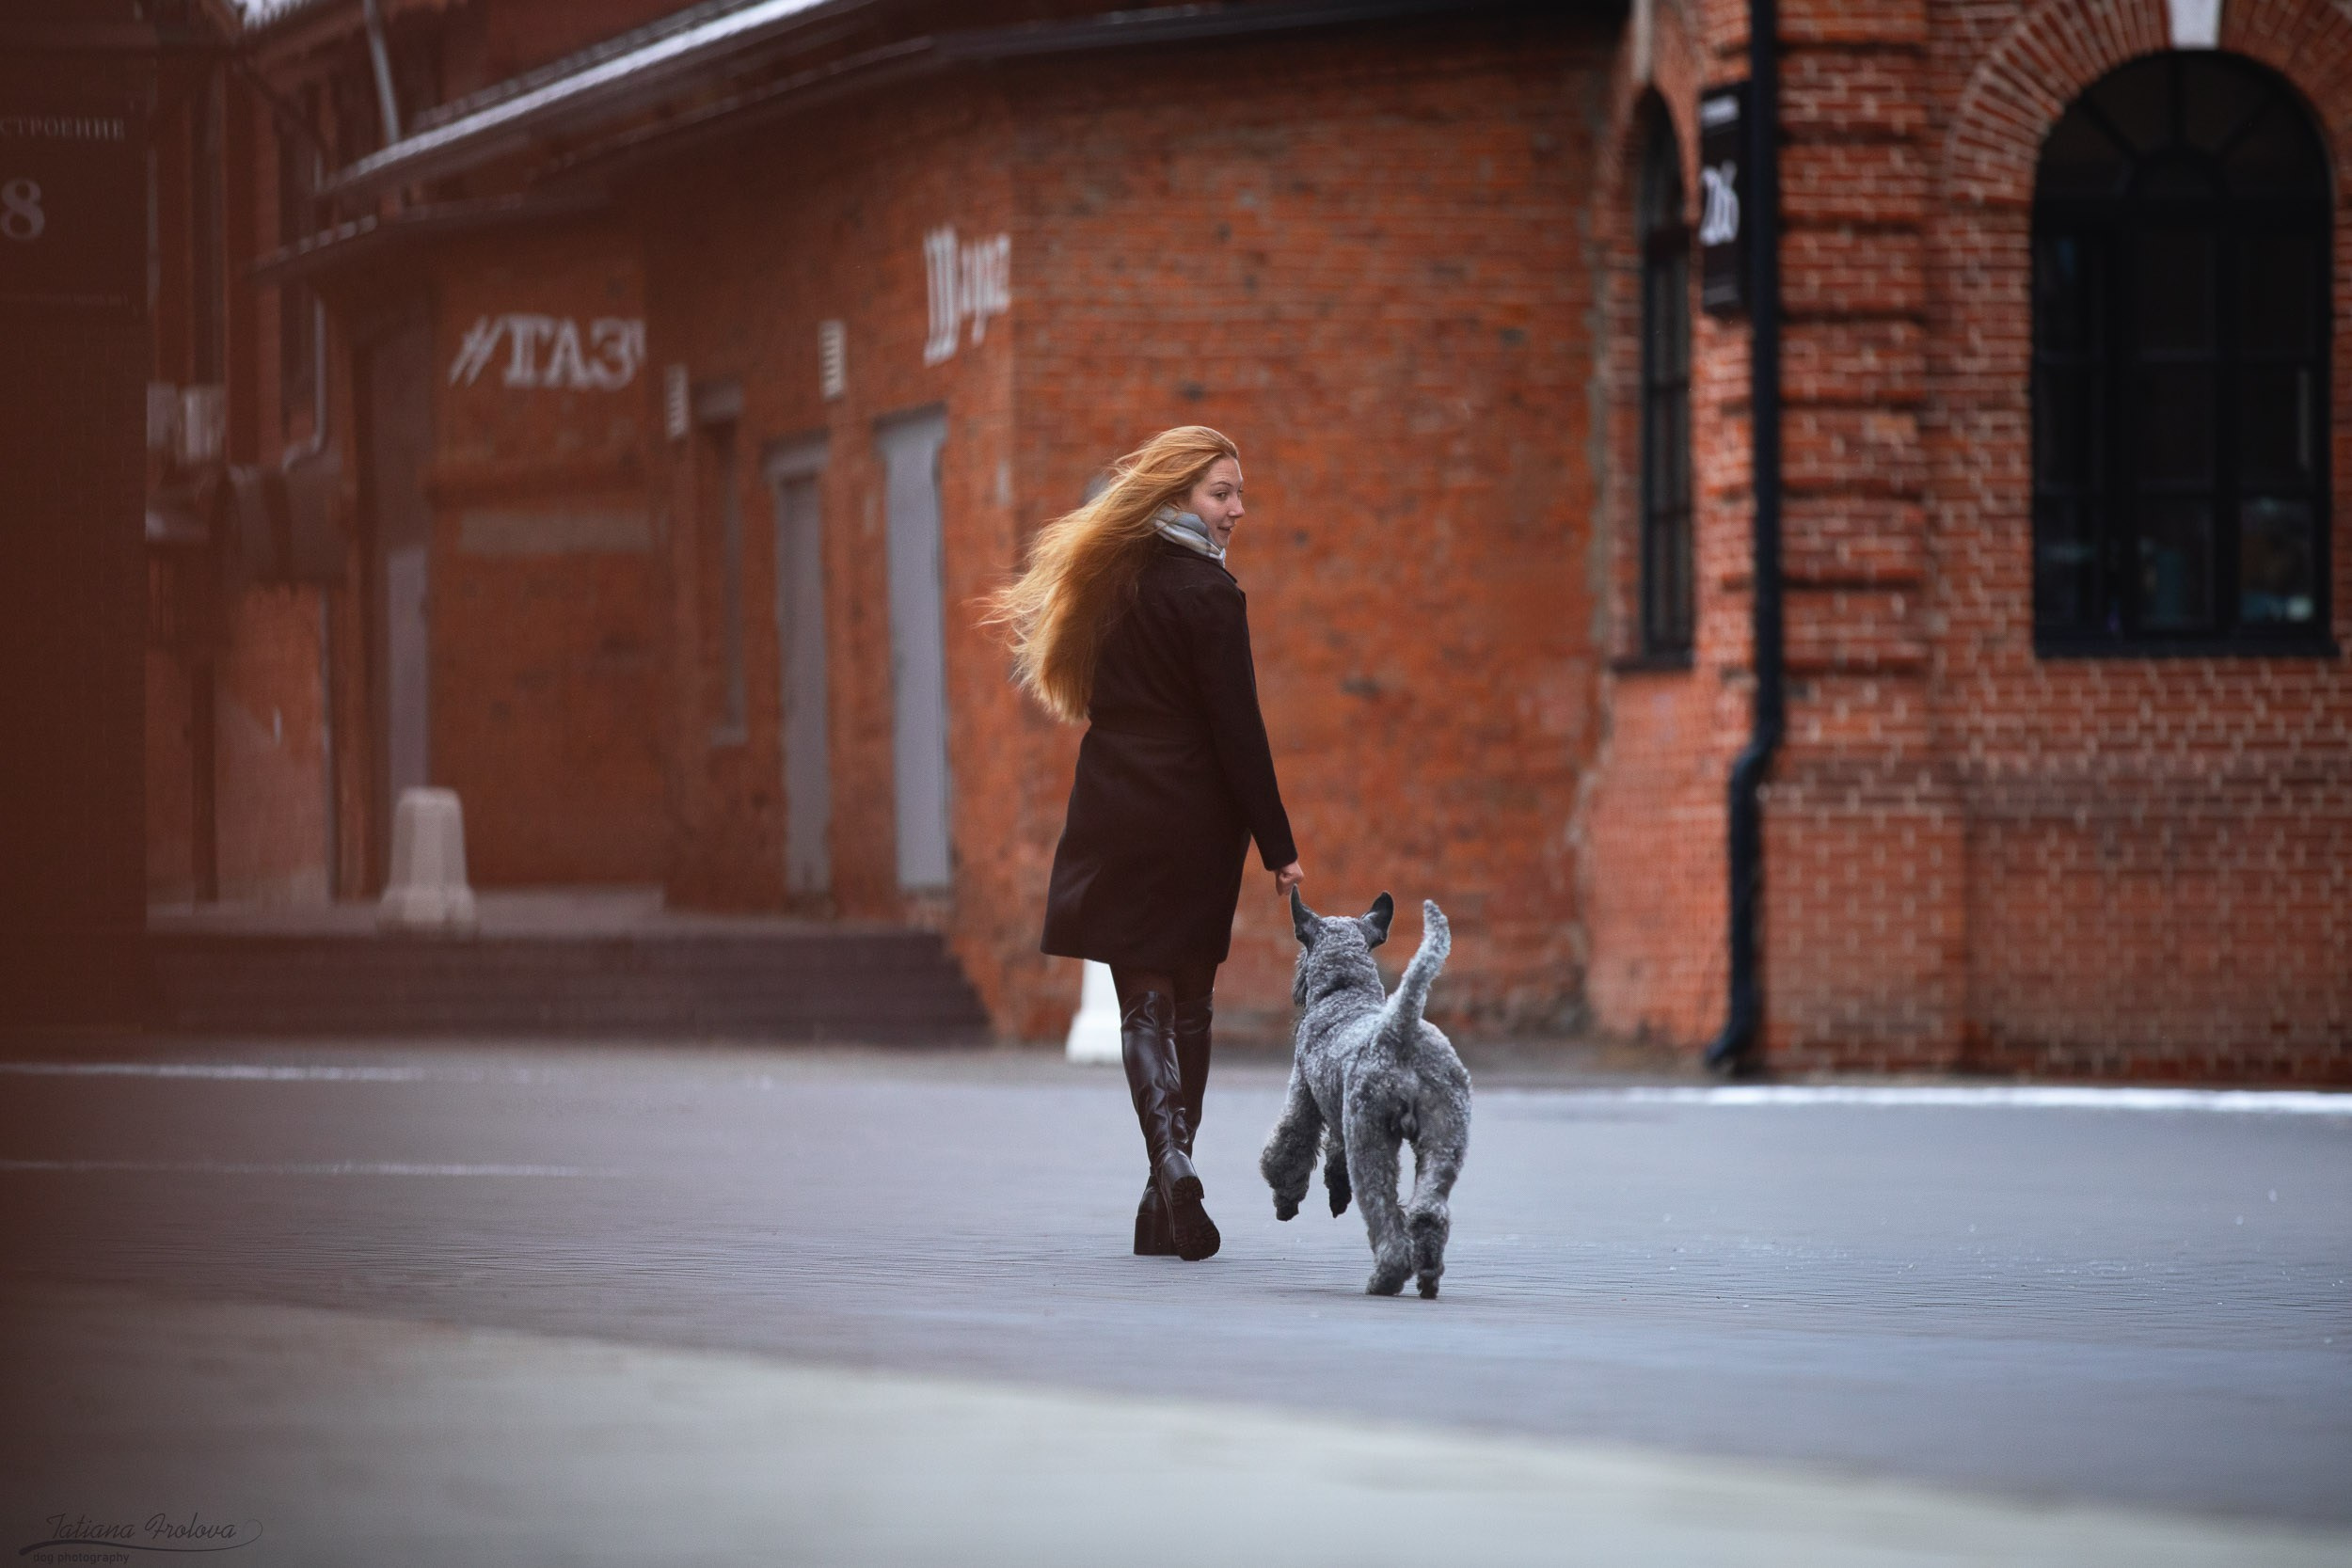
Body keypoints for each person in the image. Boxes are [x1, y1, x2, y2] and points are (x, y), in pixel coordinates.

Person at [988, 425, 1304, 1261]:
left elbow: (1095, 692)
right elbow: (1239, 729)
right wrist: (1280, 844)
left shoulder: (1109, 581)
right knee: (1190, 1006)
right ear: (1176, 497)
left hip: (1118, 807)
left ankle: (1164, 1182)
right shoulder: (1210, 593)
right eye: (1221, 493)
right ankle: (1174, 1171)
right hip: (1195, 818)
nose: (1238, 508)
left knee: (1144, 1005)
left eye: (1238, 492)